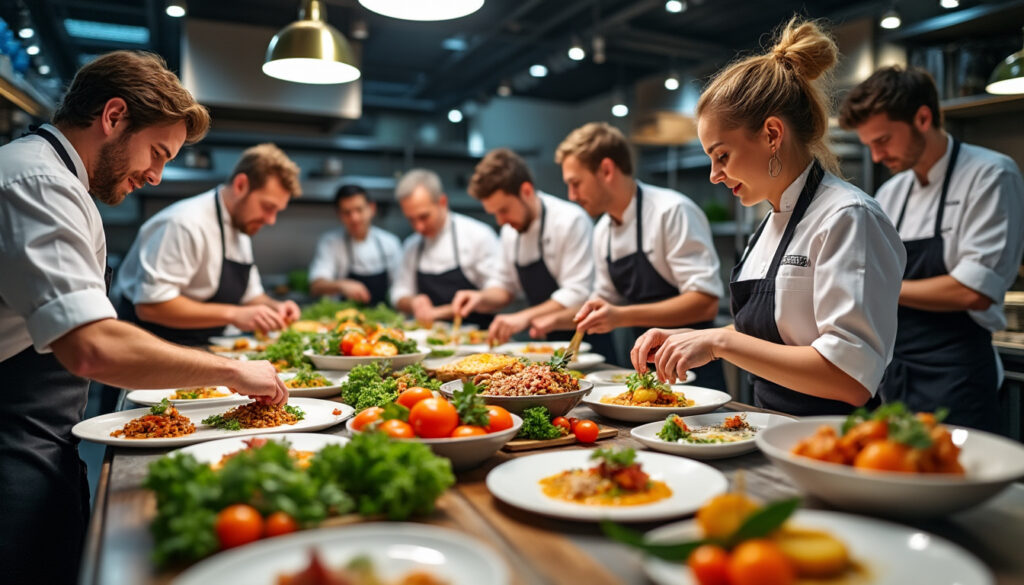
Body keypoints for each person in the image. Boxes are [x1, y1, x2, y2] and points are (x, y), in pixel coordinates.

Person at [0, 51, 287, 585]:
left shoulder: (64, 183)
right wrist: (228, 370)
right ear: (113, 117)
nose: (156, 176)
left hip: (41, 431)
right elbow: (92, 347)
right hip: (11, 436)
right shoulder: (37, 184)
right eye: (157, 152)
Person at [632, 18, 906, 416]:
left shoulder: (847, 218)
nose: (714, 174)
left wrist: (718, 345)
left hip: (829, 445)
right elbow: (773, 335)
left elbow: (850, 379)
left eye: (722, 155)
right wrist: (693, 337)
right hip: (767, 428)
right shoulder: (770, 222)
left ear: (772, 134)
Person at [839, 66, 1024, 431]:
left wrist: (877, 287)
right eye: (870, 145)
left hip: (959, 377)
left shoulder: (990, 175)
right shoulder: (892, 192)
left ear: (923, 118)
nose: (876, 157)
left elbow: (973, 291)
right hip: (898, 373)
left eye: (884, 140)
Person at [554, 122, 726, 387]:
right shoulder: (603, 231)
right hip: (643, 371)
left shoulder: (671, 211)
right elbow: (605, 300)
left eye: (576, 183)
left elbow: (705, 302)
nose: (571, 195)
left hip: (694, 370)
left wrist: (621, 316)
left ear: (607, 170)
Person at [113, 143, 302, 345]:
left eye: (276, 211)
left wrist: (275, 307)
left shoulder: (242, 228)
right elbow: (150, 306)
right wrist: (234, 314)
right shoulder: (185, 223)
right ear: (241, 185)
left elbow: (251, 296)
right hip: (150, 349)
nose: (271, 220)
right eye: (267, 207)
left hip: (199, 347)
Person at [451, 148, 594, 345]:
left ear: (526, 191)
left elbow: (577, 293)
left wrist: (524, 317)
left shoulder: (570, 221)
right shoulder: (510, 232)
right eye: (494, 214)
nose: (500, 221)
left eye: (504, 210)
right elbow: (504, 286)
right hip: (543, 344)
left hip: (586, 340)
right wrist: (480, 298)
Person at [391, 168, 502, 328]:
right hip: (429, 340)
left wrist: (442, 312)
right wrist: (412, 302)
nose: (419, 227)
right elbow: (399, 293)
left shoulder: (478, 235)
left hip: (477, 340)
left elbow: (500, 293)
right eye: (411, 220)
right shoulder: (412, 246)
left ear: (442, 202)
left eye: (424, 217)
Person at [308, 184, 402, 305]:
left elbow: (401, 287)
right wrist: (341, 285)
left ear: (371, 209)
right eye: (347, 212)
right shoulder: (330, 243)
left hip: (383, 320)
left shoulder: (390, 243)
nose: (354, 218)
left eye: (359, 210)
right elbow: (316, 286)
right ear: (339, 215)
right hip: (344, 319)